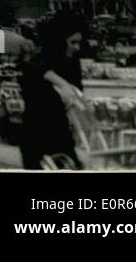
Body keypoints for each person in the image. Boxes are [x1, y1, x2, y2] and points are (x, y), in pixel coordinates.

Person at [19, 10, 86, 169]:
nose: (77, 47)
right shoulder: (40, 62)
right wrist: (62, 83)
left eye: (79, 42)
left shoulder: (71, 62)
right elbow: (36, 69)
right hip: (39, 134)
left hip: (62, 133)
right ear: (60, 41)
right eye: (73, 42)